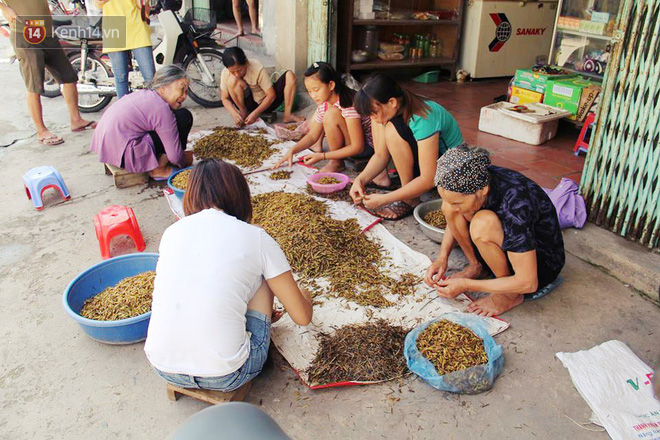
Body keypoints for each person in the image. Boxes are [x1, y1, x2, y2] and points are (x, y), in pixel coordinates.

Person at [144, 159, 313, 392]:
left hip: (163, 367)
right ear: (238, 195)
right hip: (228, 375)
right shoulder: (256, 237)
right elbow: (302, 317)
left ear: (191, 195)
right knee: (263, 277)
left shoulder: (172, 232)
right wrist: (306, 295)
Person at [424, 146, 565, 317]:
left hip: (540, 264)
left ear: (482, 191)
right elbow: (452, 209)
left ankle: (509, 295)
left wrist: (467, 285)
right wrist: (442, 258)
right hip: (507, 247)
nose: (454, 208)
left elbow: (528, 282)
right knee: (450, 206)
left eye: (458, 202)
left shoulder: (516, 204)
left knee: (482, 224)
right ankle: (477, 266)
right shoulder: (478, 178)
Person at [350, 74, 464, 220]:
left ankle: (409, 199)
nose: (372, 118)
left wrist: (386, 199)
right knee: (386, 126)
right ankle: (408, 191)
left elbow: (428, 179)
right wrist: (360, 181)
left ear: (392, 102)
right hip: (429, 164)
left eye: (373, 113)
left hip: (451, 169)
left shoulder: (423, 117)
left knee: (391, 130)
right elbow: (380, 155)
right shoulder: (386, 113)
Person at [273, 62, 388, 184]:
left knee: (331, 115)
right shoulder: (324, 103)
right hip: (352, 145)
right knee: (329, 113)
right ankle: (336, 161)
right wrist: (293, 150)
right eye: (309, 91)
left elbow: (357, 147)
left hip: (367, 148)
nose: (313, 95)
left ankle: (336, 162)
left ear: (331, 85)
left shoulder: (348, 104)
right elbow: (313, 136)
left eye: (316, 90)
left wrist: (323, 156)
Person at [0, 0, 96, 145]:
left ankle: (76, 120)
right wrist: (4, 8)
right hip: (24, 33)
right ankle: (41, 131)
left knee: (68, 76)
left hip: (46, 32)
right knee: (34, 85)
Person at [90, 65, 194, 179]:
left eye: (186, 91)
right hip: (125, 154)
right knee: (183, 117)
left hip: (107, 148)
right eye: (181, 89)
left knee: (171, 125)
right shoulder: (161, 108)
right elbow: (175, 156)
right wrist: (183, 159)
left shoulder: (145, 95)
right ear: (163, 88)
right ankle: (159, 169)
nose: (184, 96)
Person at [220, 47, 303, 126]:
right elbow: (225, 98)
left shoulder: (256, 66)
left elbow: (271, 95)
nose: (237, 74)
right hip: (246, 105)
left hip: (264, 104)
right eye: (233, 72)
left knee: (290, 75)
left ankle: (287, 115)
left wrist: (256, 113)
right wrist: (234, 113)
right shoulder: (226, 72)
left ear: (246, 62)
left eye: (240, 70)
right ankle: (243, 112)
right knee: (232, 80)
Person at [96, 0, 155, 99]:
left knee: (150, 77)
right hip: (114, 26)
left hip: (136, 24)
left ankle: (155, 110)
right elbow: (98, 2)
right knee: (121, 77)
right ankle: (125, 111)